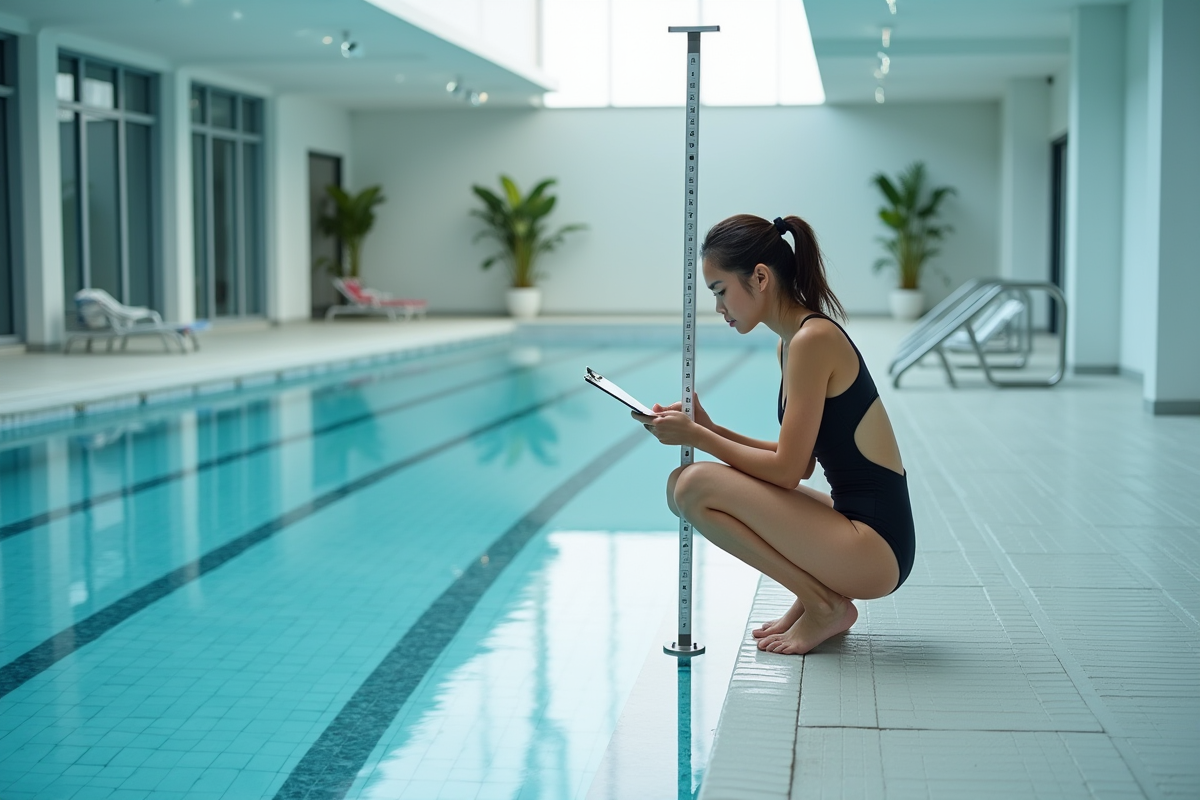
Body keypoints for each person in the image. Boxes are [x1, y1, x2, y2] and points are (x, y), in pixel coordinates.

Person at [632, 214, 915, 655]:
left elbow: (785, 473)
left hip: (876, 548)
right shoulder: (793, 340)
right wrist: (709, 428)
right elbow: (799, 461)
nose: (718, 307)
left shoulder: (811, 340)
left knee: (693, 485)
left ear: (760, 278)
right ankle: (816, 600)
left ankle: (823, 605)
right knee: (682, 488)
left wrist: (698, 437)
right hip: (859, 530)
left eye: (720, 291)